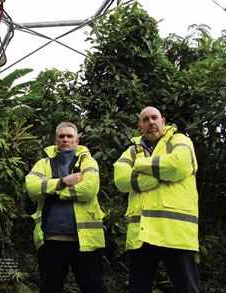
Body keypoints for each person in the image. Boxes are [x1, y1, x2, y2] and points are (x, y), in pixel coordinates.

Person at [113, 106, 200, 293]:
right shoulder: (131, 150)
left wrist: (140, 165)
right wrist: (161, 175)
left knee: (187, 288)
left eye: (154, 118)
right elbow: (121, 180)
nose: (151, 122)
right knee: (138, 289)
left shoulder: (180, 140)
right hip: (141, 234)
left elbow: (178, 166)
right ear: (140, 126)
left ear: (163, 121)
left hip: (175, 232)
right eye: (145, 119)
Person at [25, 122, 107, 293]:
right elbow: (31, 187)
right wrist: (63, 181)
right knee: (50, 288)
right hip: (50, 240)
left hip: (85, 241)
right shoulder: (44, 163)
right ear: (56, 140)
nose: (65, 139)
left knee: (94, 288)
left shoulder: (88, 161)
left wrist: (55, 191)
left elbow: (89, 190)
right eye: (61, 136)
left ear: (77, 140)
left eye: (69, 136)